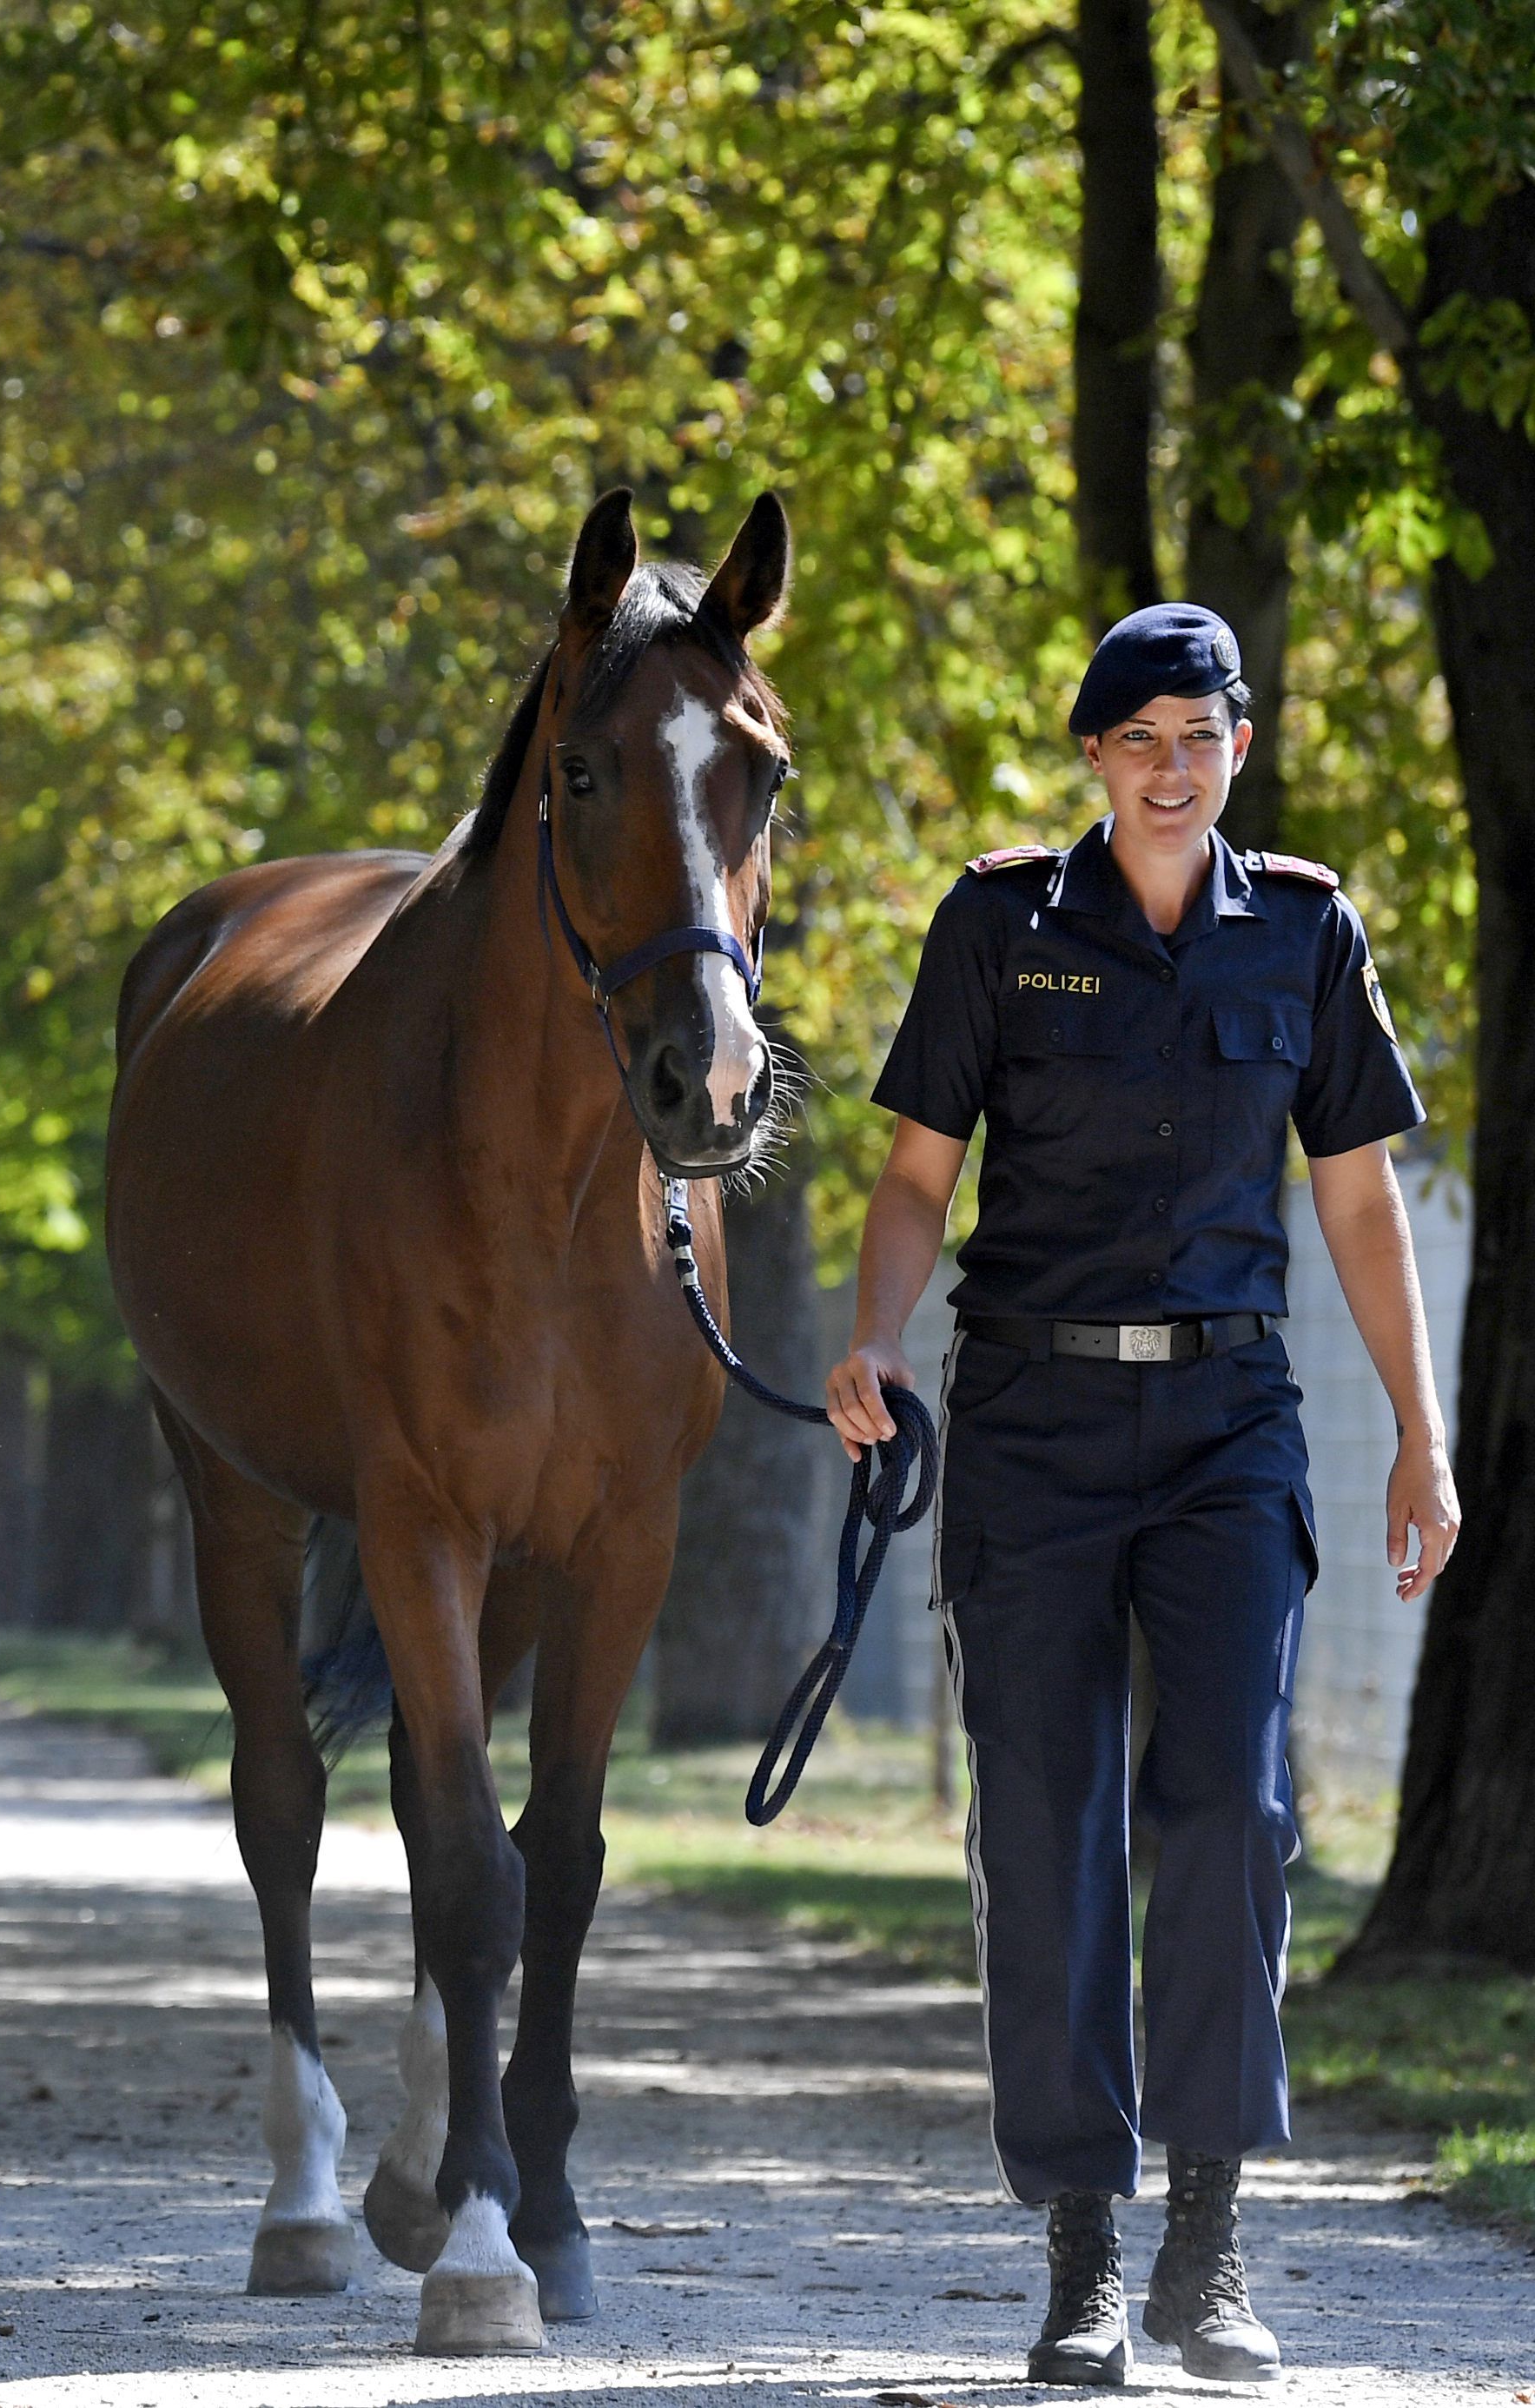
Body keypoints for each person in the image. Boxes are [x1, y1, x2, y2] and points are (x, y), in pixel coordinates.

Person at [825, 604, 1459, 2388]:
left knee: (1232, 1811)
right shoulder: (999, 926)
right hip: (1030, 1416)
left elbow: (1354, 1200)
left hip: (1228, 1428)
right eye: (1143, 739)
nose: (1175, 767)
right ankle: (1083, 2257)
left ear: (1238, 750)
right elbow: (911, 1177)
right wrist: (873, 1340)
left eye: (1205, 735)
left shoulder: (1308, 937)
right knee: (1041, 1829)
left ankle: (1210, 2245)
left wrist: (1423, 1428)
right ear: (1094, 759)